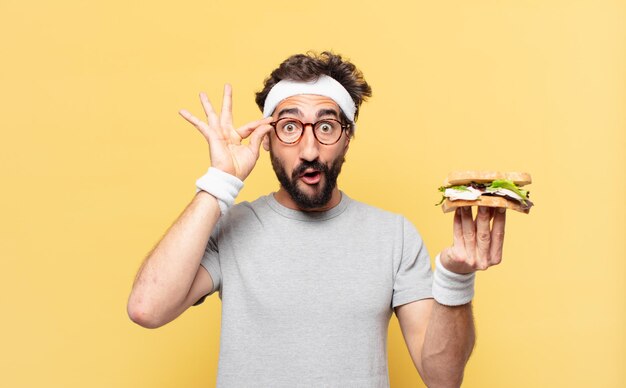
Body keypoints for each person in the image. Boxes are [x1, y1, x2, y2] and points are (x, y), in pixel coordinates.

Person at [127, 51, 507, 387]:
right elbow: (147, 308)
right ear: (267, 137)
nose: (309, 150)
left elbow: (443, 379)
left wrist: (455, 280)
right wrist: (220, 182)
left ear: (347, 137)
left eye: (326, 127)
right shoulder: (231, 228)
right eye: (290, 127)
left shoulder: (394, 236)